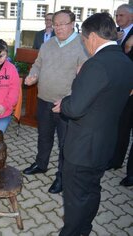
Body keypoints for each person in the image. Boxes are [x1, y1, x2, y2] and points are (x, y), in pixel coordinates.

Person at [51, 13, 133, 235]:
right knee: (92, 189)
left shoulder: (95, 65)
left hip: (83, 147)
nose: (85, 44)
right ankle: (85, 227)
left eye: (84, 39)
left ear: (94, 37)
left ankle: (73, 231)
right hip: (105, 142)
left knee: (76, 196)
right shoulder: (126, 62)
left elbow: (75, 108)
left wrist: (65, 102)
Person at [22, 10, 88, 194]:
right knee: (44, 136)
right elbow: (38, 64)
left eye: (62, 24)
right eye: (55, 24)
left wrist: (69, 100)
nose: (57, 27)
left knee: (65, 143)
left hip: (66, 104)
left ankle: (62, 176)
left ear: (73, 23)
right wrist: (33, 75)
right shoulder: (48, 44)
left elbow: (86, 79)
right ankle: (41, 164)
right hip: (44, 100)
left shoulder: (82, 46)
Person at [107, 4, 133, 187]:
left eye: (121, 15)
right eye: (116, 15)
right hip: (119, 90)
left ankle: (131, 174)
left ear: (131, 17)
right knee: (120, 127)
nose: (118, 18)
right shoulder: (115, 33)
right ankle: (115, 161)